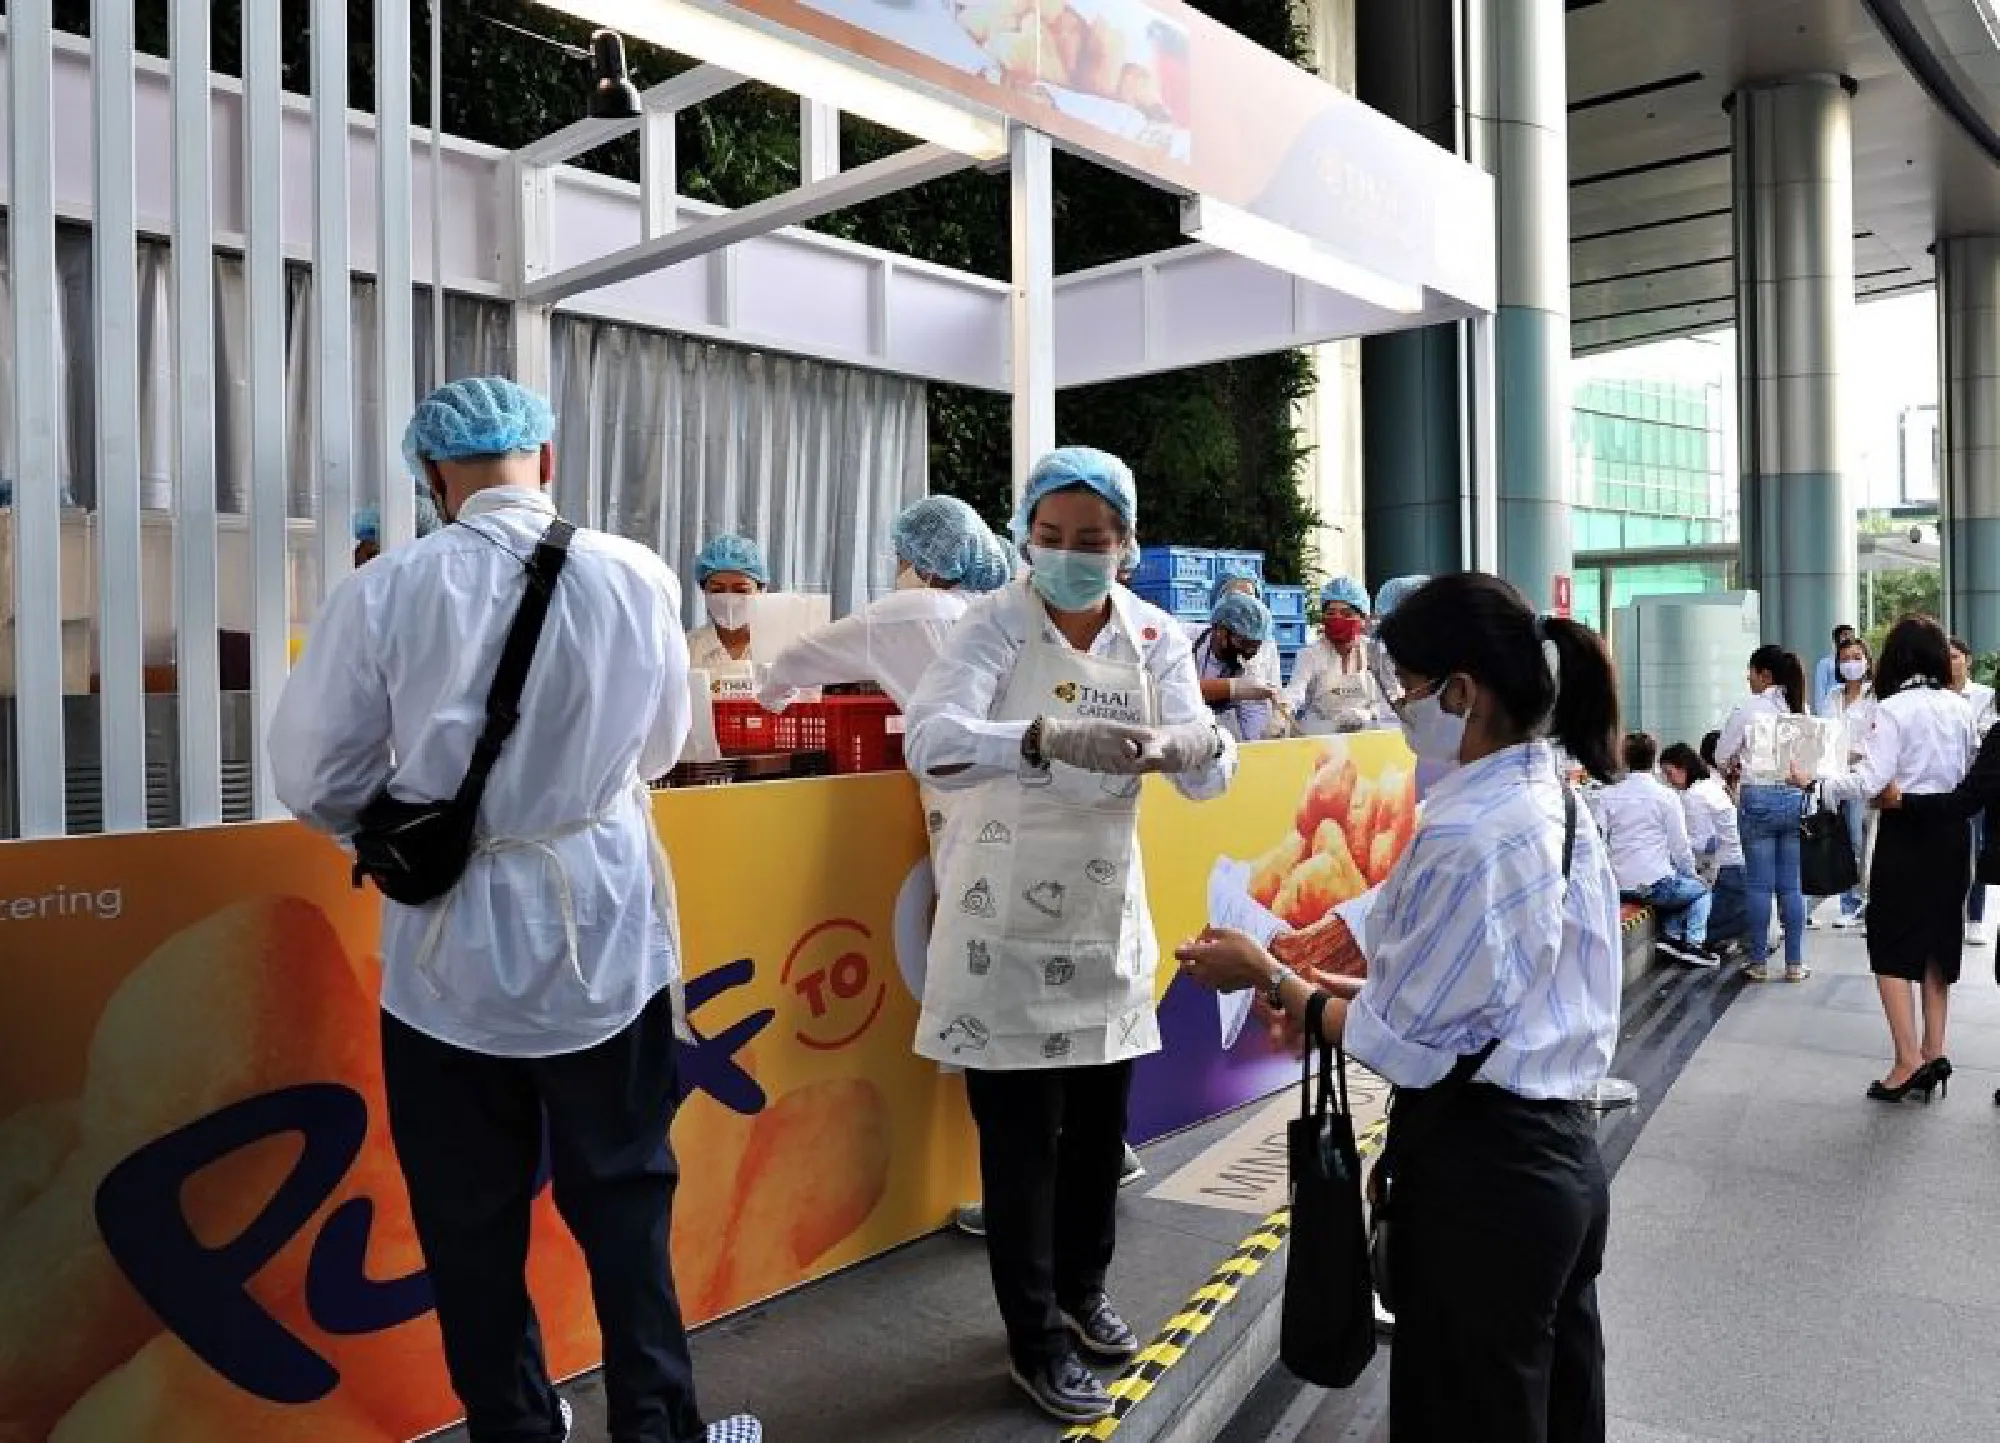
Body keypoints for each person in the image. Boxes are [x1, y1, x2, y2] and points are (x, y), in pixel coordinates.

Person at [269, 378, 759, 1443]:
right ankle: (658, 1424)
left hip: (449, 961)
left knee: (468, 1221)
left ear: (431, 477)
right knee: (626, 1206)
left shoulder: (386, 589)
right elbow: (663, 750)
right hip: (606, 942)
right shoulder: (632, 573)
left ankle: (516, 1425)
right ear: (544, 460)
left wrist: (407, 826)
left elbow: (314, 777)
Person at [1176, 571, 1621, 1443]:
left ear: (1462, 692)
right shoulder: (1552, 799)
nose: (1398, 704)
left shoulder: (1466, 832)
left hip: (1488, 1178)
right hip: (1559, 1162)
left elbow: (1410, 1047)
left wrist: (1273, 979)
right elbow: (1493, 992)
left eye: (1408, 687)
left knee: (1468, 1412)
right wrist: (1330, 990)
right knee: (1556, 1400)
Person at [904, 445, 1238, 1423]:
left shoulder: (1152, 634)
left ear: (1125, 545)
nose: (1068, 556)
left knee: (1098, 1135)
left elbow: (1208, 772)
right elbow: (928, 741)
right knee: (1019, 1149)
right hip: (997, 924)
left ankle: (1083, 1290)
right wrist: (1038, 739)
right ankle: (1033, 1338)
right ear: (1023, 537)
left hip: (1103, 920)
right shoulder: (990, 625)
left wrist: (1189, 745)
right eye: (1048, 539)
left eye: (1090, 541)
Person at [1816, 617, 1975, 1101]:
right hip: (1951, 830)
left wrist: (1816, 784)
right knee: (1937, 944)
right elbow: (1966, 773)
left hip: (1906, 835)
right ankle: (1934, 1051)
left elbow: (1870, 782)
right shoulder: (1960, 708)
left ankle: (1906, 1061)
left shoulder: (1892, 710)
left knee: (1889, 943)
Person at [757, 495, 1010, 711]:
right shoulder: (994, 608)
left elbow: (794, 658)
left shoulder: (912, 610)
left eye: (902, 558)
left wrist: (772, 699)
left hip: (947, 758)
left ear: (929, 562)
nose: (899, 570)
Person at [1715, 645, 1812, 982]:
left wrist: (1735, 764)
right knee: (1791, 886)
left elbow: (1721, 754)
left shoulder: (1747, 708)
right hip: (1792, 798)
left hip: (1757, 797)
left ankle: (1758, 962)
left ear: (1765, 674)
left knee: (1758, 886)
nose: (1748, 677)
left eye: (1751, 671)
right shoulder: (1800, 707)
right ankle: (1795, 964)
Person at [1587, 732, 1715, 967]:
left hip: (1621, 886)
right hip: (1656, 885)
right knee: (1700, 891)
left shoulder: (1606, 796)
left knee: (1678, 888)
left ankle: (1672, 938)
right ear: (1654, 759)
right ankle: (1692, 943)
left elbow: (1598, 841)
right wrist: (1691, 874)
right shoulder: (1666, 797)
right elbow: (1680, 847)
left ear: (1624, 759)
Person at [1661, 742, 1748, 958]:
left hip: (1726, 871)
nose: (1668, 780)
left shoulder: (1694, 796)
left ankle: (1683, 938)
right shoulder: (1709, 786)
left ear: (1683, 768)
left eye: (1669, 773)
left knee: (1692, 914)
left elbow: (1705, 843)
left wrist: (1669, 844)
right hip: (1738, 865)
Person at [1815, 635, 1877, 929]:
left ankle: (1854, 901)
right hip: (1831, 777)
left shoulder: (1875, 696)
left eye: (1857, 657)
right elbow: (1823, 733)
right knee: (1832, 837)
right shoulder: (1832, 696)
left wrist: (1848, 755)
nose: (1851, 663)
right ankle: (1836, 895)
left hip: (1858, 775)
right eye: (1845, 659)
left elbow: (1873, 740)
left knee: (1856, 838)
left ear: (1866, 660)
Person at [1284, 575, 1393, 731]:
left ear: (1363, 619)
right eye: (1330, 613)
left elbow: (1389, 699)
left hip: (1368, 735)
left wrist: (1368, 715)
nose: (1337, 619)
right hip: (1320, 735)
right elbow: (1295, 692)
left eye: (1347, 614)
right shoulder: (1310, 654)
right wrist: (1282, 709)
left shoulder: (1375, 652)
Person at [1949, 636, 1996, 945]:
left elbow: (1987, 733)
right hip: (1947, 783)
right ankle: (1951, 910)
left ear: (1967, 659)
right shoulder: (1936, 697)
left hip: (1976, 783)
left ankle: (1976, 915)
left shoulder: (1984, 695)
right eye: (1946, 657)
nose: (1950, 662)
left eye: (1955, 656)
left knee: (1977, 848)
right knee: (1950, 849)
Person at [1194, 589, 1281, 740]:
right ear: (1220, 631)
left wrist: (1259, 742)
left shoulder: (1249, 665)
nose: (1248, 651)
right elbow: (1174, 689)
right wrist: (1231, 688)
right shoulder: (1183, 641)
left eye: (1255, 645)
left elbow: (1253, 713)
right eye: (1243, 642)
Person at [1190, 572, 1285, 704]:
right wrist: (1232, 688)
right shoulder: (1186, 638)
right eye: (1235, 597)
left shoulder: (1263, 645)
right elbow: (1174, 690)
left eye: (1250, 599)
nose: (1245, 609)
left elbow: (1258, 708)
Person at [687, 534, 768, 672]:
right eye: (717, 590)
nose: (729, 599)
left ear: (761, 590)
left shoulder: (781, 648)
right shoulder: (686, 649)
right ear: (704, 591)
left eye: (741, 590)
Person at [1813, 622, 1858, 710]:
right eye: (1845, 635)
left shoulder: (1857, 664)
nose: (1848, 638)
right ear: (1836, 639)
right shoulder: (1825, 663)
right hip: (1832, 710)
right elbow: (1820, 694)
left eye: (1851, 635)